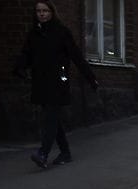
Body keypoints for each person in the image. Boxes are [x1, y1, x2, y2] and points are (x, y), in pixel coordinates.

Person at [14, 1, 98, 169]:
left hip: (58, 81)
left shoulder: (61, 32)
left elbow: (76, 56)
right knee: (53, 119)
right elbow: (26, 54)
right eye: (38, 11)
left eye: (45, 11)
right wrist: (20, 68)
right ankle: (65, 153)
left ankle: (43, 153)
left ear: (52, 12)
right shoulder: (34, 33)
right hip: (41, 82)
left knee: (50, 117)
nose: (42, 14)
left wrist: (90, 77)